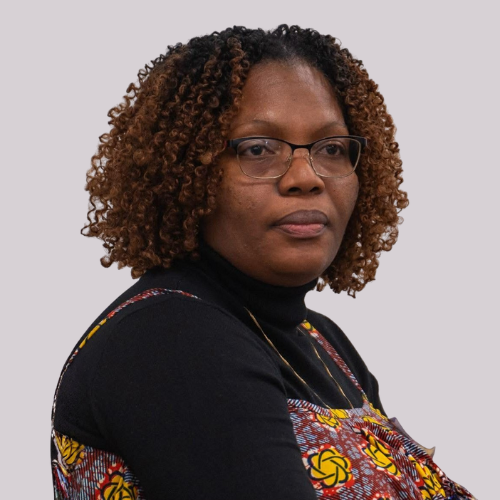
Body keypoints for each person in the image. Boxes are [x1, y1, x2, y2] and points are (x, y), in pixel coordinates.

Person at [50, 25, 475, 500]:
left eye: (331, 149)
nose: (306, 177)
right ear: (187, 171)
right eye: (258, 149)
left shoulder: (324, 343)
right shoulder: (170, 338)